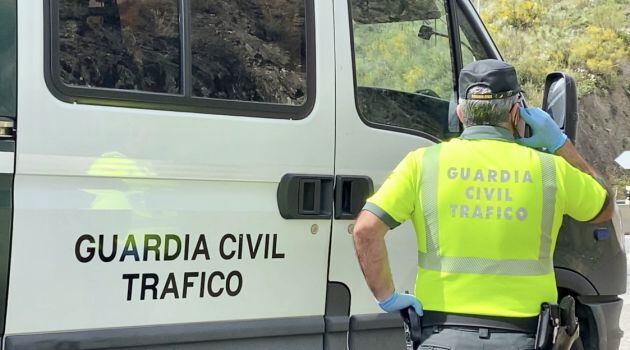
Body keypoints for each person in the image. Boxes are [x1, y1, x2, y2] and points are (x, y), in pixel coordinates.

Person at [352, 59, 613, 349]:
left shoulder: (422, 163)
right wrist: (560, 143)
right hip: (523, 337)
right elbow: (604, 207)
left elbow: (365, 230)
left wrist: (387, 297)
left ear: (460, 112)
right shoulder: (550, 169)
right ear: (516, 113)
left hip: (440, 336)